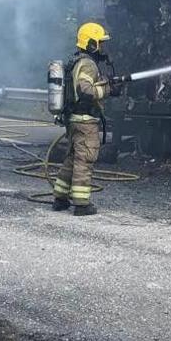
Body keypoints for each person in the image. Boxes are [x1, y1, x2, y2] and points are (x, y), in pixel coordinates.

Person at [52, 22, 121, 216]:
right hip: (85, 120)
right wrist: (108, 89)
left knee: (72, 158)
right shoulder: (88, 64)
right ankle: (82, 204)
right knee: (85, 159)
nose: (103, 47)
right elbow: (85, 90)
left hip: (74, 119)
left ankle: (60, 198)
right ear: (91, 44)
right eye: (100, 43)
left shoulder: (77, 61)